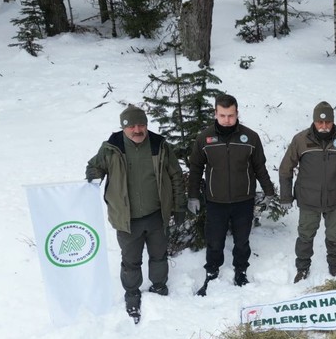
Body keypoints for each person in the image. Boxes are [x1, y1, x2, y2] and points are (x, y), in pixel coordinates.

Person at [85, 104, 186, 323]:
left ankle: (159, 286)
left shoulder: (159, 145)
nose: (137, 130)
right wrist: (93, 176)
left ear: (146, 125)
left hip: (156, 214)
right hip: (127, 219)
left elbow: (176, 176)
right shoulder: (112, 147)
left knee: (158, 255)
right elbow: (94, 166)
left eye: (141, 124)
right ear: (123, 128)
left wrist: (179, 206)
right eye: (131, 126)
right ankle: (132, 292)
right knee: (130, 261)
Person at [187, 94, 276, 295]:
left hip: (243, 199)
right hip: (215, 200)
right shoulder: (205, 138)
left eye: (231, 115)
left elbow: (259, 167)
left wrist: (269, 191)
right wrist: (193, 195)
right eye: (223, 115)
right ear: (215, 114)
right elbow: (195, 168)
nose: (227, 120)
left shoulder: (250, 138)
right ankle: (211, 272)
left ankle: (241, 271)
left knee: (242, 239)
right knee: (214, 240)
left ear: (237, 113)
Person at [279, 101, 336, 283]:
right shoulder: (301, 140)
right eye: (320, 122)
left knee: (334, 235)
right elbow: (286, 168)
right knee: (305, 235)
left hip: (334, 199)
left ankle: (334, 265)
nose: (324, 126)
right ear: (314, 121)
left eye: (328, 122)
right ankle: (302, 267)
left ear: (333, 121)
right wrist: (286, 196)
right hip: (309, 199)